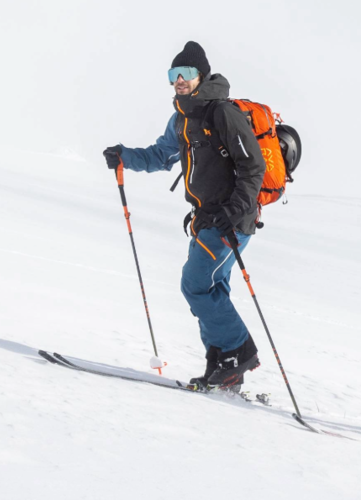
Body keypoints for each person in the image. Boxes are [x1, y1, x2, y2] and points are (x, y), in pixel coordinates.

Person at [101, 41, 267, 390]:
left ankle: (238, 353)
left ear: (200, 76)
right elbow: (161, 156)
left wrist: (234, 210)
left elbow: (253, 166)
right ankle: (222, 366)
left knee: (194, 285)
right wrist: (124, 156)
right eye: (173, 74)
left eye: (186, 74)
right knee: (210, 288)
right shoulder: (181, 118)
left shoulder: (222, 113)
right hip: (207, 219)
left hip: (232, 220)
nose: (179, 80)